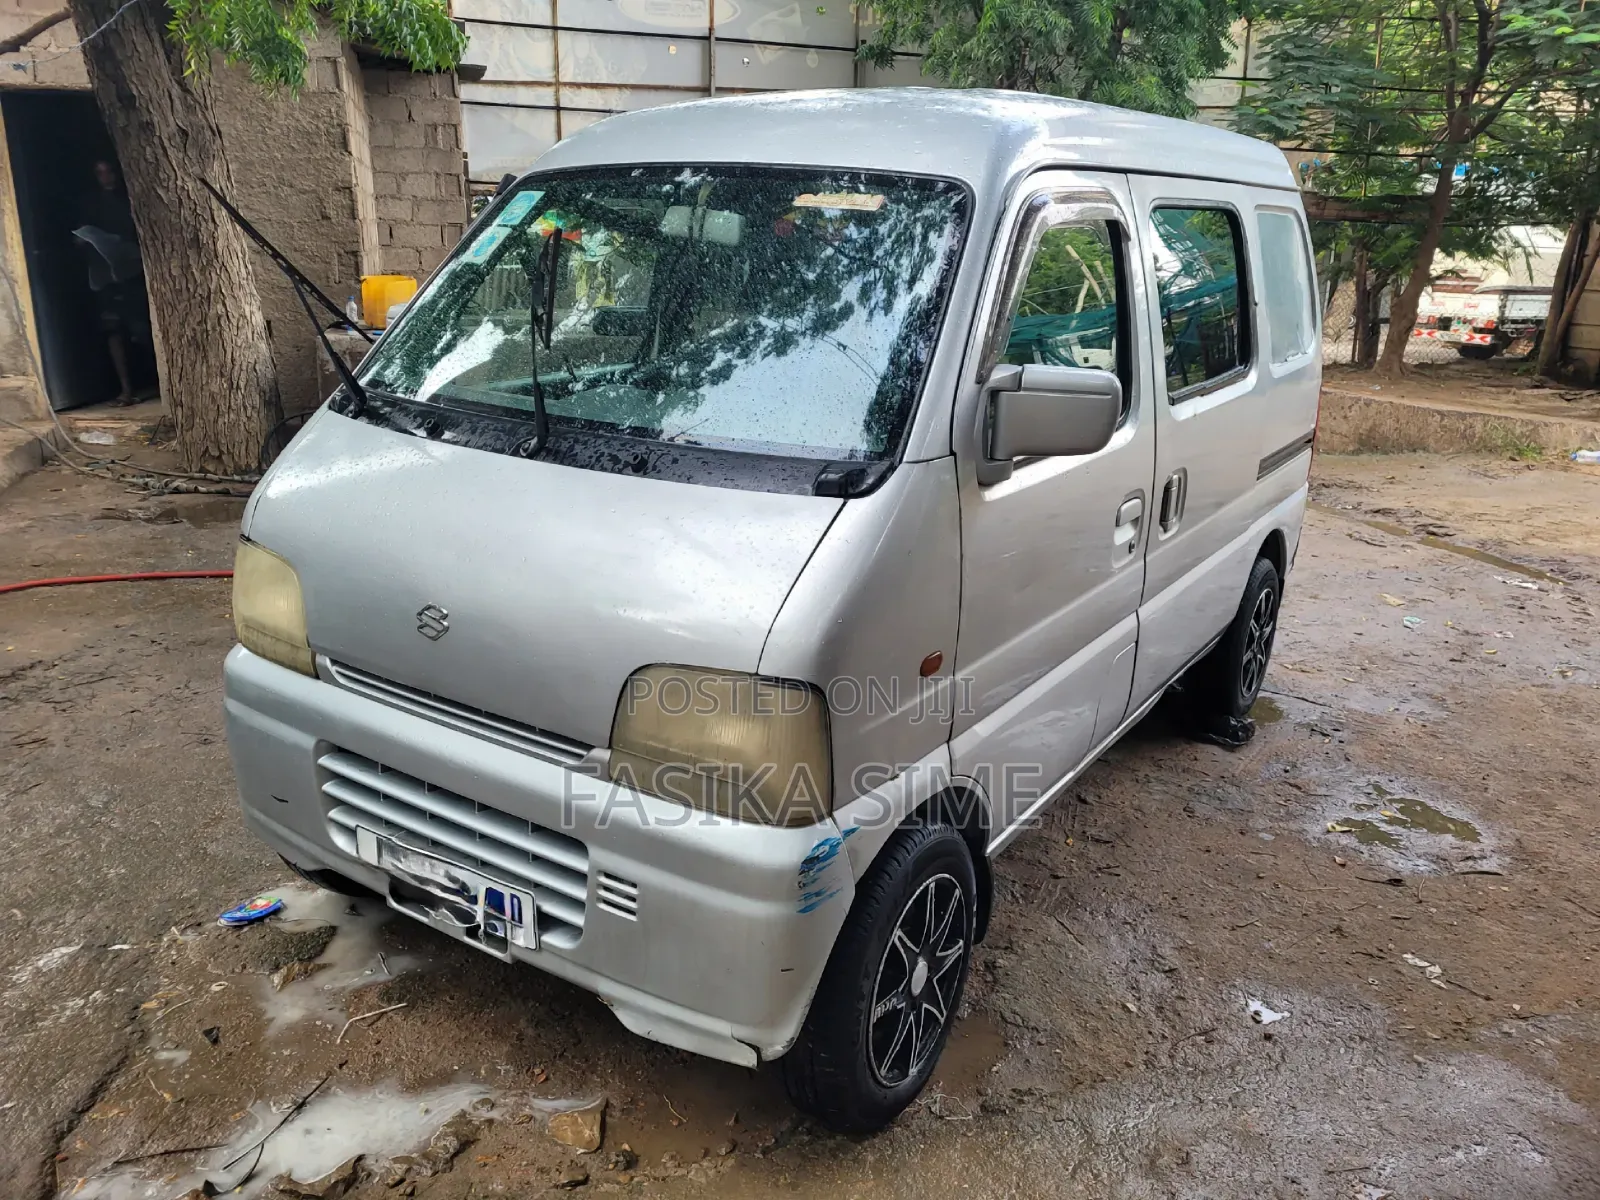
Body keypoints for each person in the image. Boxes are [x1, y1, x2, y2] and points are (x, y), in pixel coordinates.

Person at [74, 160, 147, 406]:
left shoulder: (131, 197)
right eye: (99, 173)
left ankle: (156, 383)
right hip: (104, 277)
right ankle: (126, 390)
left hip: (132, 273)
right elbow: (78, 238)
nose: (105, 177)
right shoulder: (89, 204)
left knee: (142, 329)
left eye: (109, 171)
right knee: (114, 331)